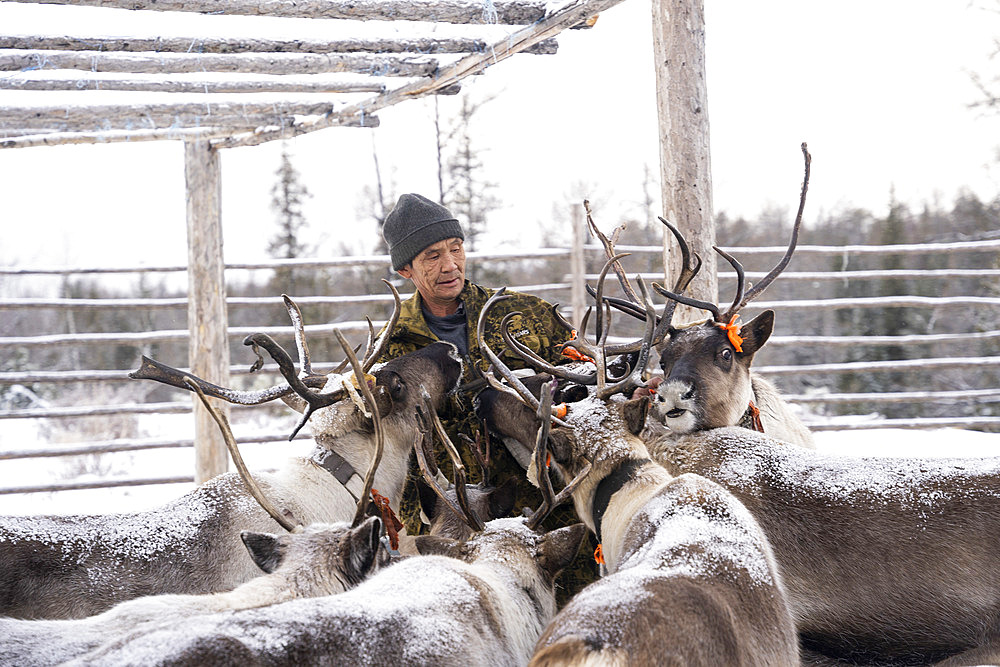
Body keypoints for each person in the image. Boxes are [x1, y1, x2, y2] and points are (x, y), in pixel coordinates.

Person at [377, 193, 597, 603]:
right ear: (406, 268)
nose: (449, 265)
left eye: (455, 249)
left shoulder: (524, 315)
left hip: (545, 519)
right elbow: (383, 449)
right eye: (432, 256)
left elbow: (588, 380)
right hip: (455, 534)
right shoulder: (389, 352)